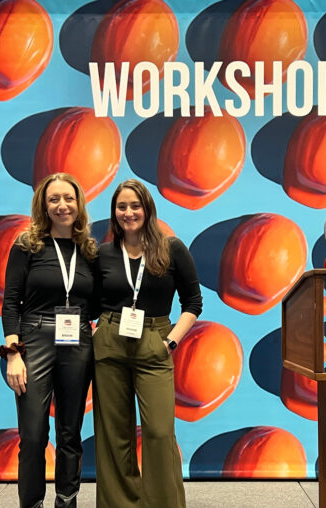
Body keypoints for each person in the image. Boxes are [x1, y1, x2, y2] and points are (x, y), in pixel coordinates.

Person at [93, 179, 203, 508]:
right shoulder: (103, 254)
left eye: (135, 206)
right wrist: (94, 330)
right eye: (121, 206)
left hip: (155, 341)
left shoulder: (172, 249)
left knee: (158, 432)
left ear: (148, 209)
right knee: (114, 434)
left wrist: (169, 342)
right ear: (114, 212)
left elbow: (193, 302)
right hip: (110, 342)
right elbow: (90, 302)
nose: (129, 213)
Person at [0, 172, 97, 508]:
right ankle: (32, 503)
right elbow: (11, 303)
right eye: (53, 199)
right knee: (33, 435)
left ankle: (66, 501)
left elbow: (96, 302)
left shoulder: (89, 249)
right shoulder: (26, 245)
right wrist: (13, 354)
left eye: (68, 198)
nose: (61, 205)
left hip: (78, 342)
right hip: (34, 339)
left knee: (70, 433)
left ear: (78, 204)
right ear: (43, 205)